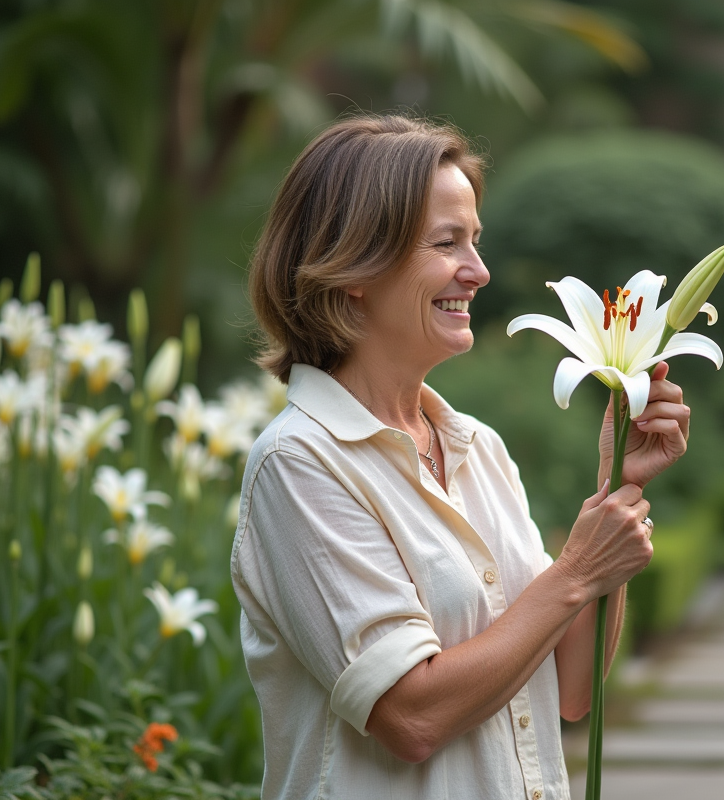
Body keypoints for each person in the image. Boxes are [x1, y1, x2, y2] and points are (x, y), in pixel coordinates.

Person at [232, 114, 692, 800]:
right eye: (448, 243)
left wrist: (611, 487)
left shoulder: (478, 448)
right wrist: (577, 570)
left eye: (475, 241)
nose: (478, 272)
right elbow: (411, 716)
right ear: (355, 266)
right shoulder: (300, 464)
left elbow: (571, 689)